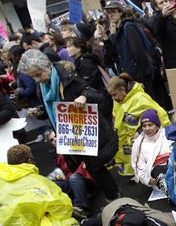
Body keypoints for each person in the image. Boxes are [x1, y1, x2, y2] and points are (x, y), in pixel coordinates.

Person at [18, 48, 121, 202]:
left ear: (47, 65)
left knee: (95, 166)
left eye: (38, 74)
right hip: (71, 133)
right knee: (90, 167)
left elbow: (99, 95)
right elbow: (53, 110)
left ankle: (113, 196)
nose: (37, 80)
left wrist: (84, 96)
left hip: (87, 131)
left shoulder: (68, 78)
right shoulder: (43, 87)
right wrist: (40, 112)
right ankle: (110, 194)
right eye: (33, 77)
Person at [105, 75, 170, 179]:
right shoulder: (119, 100)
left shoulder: (140, 98)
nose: (113, 98)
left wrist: (141, 132)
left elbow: (159, 115)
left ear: (122, 89)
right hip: (126, 142)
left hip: (143, 140)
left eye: (114, 95)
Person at [127, 109, 172, 190]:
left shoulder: (168, 136)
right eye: (144, 126)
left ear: (157, 125)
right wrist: (149, 181)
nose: (147, 128)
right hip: (157, 180)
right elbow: (140, 168)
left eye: (150, 125)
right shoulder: (139, 144)